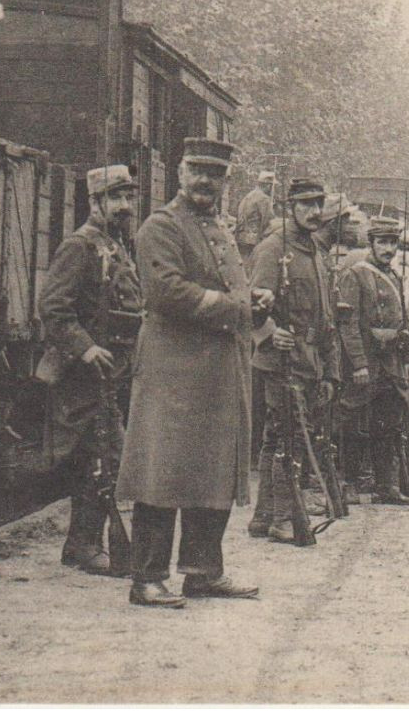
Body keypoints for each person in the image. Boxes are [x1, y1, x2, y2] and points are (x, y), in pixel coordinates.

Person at [115, 138, 266, 607]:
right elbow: (166, 292)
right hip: (173, 374)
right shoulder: (161, 226)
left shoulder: (217, 227)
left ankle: (202, 572)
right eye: (197, 170)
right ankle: (147, 578)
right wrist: (234, 307)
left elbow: (228, 286)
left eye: (215, 174)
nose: (206, 181)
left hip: (218, 374)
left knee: (212, 472)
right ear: (180, 173)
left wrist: (254, 302)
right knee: (162, 472)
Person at [37, 164, 144, 576]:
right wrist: (85, 349)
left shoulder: (117, 246)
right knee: (104, 459)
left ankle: (80, 545)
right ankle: (84, 544)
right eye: (115, 198)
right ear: (95, 202)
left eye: (128, 198)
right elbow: (53, 308)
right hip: (83, 375)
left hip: (112, 373)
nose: (124, 206)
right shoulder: (80, 247)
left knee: (100, 458)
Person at [248, 178, 339, 544]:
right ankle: (283, 519)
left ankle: (263, 515)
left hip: (311, 359)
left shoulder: (316, 252)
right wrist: (269, 332)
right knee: (290, 436)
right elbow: (253, 300)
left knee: (277, 436)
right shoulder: (274, 250)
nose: (314, 211)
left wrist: (330, 370)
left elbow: (327, 316)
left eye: (318, 204)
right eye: (305, 204)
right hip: (282, 361)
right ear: (290, 207)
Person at [336, 217, 409, 505]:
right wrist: (358, 363)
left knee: (389, 424)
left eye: (393, 242)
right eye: (382, 242)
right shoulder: (355, 274)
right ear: (370, 243)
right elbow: (348, 324)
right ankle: (347, 483)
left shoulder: (395, 276)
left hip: (391, 363)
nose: (388, 248)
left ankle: (387, 486)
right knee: (353, 423)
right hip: (365, 361)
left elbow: (404, 320)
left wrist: (408, 358)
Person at [236, 170, 277, 266]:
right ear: (268, 186)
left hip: (241, 238)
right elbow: (270, 222)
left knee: (244, 266)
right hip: (254, 241)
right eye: (272, 186)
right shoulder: (264, 199)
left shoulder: (248, 196)